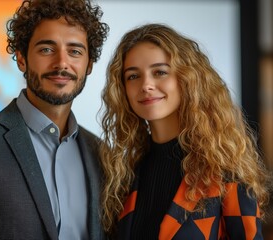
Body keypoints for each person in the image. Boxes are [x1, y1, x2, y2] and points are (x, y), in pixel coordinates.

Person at [0, 0, 109, 239]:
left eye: (75, 51)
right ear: (22, 58)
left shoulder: (101, 153)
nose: (62, 63)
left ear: (89, 66)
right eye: (46, 49)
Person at [99, 23, 270, 239]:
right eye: (133, 76)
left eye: (160, 72)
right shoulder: (124, 175)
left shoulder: (226, 171)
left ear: (187, 79)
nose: (146, 85)